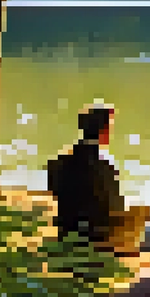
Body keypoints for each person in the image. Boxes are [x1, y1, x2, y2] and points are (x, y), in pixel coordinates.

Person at [47, 104, 134, 249]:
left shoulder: (58, 164)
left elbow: (55, 193)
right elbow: (117, 210)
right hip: (97, 240)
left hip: (67, 235)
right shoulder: (106, 169)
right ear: (104, 131)